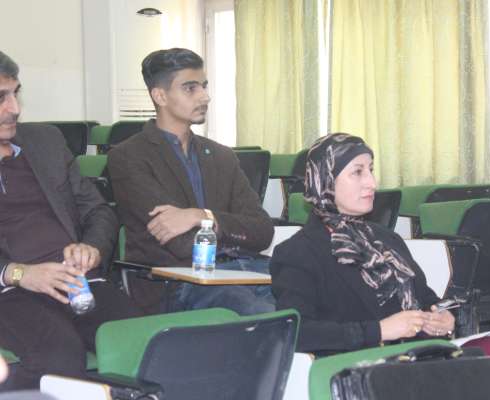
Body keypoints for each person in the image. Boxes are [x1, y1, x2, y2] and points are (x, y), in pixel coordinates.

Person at [0, 51, 143, 391]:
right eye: (1, 98)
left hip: (78, 281)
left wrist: (91, 246)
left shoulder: (45, 142)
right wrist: (18, 273)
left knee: (144, 343)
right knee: (61, 356)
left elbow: (98, 211)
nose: (15, 108)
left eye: (16, 93)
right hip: (10, 291)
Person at [108, 48, 275, 315]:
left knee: (310, 300)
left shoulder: (222, 156)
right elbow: (182, 243)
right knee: (263, 313)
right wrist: (231, 229)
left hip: (243, 271)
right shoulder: (129, 157)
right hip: (178, 283)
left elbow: (263, 231)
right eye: (190, 88)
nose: (204, 96)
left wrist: (201, 216)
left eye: (204, 86)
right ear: (160, 96)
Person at [270, 133, 455, 357]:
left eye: (371, 170)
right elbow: (298, 333)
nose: (372, 183)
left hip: (416, 359)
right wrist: (379, 331)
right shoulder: (298, 252)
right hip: (356, 368)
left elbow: (426, 299)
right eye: (358, 172)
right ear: (325, 181)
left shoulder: (387, 239)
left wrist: (441, 317)